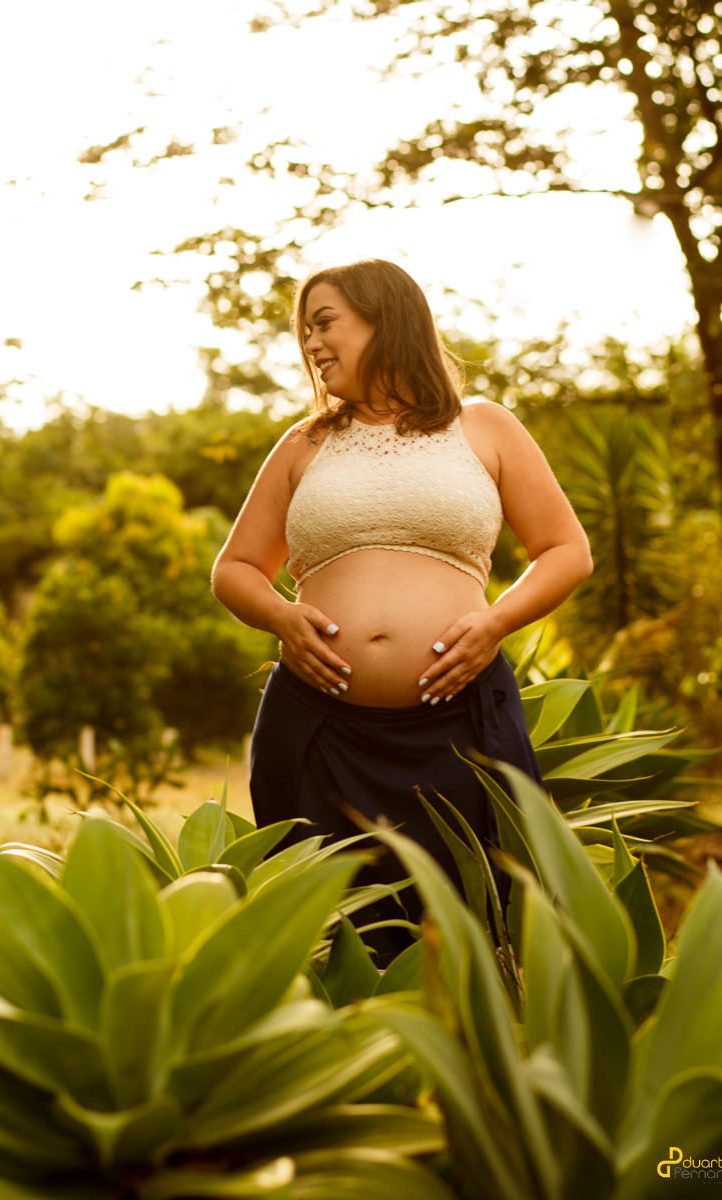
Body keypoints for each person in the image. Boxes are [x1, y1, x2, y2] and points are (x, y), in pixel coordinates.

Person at [212, 258, 592, 962]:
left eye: (325, 322)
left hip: (461, 723)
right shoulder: (304, 445)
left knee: (478, 937)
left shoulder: (484, 428)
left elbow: (566, 549)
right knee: (329, 942)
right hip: (319, 729)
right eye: (305, 330)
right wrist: (282, 618)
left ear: (387, 318)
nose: (312, 343)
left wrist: (495, 622)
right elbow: (234, 568)